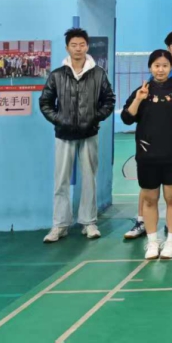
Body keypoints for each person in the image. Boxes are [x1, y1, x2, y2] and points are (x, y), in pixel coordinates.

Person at [39, 28, 115, 243]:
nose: (78, 48)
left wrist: (95, 118)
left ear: (87, 46)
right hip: (63, 135)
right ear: (67, 48)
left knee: (89, 179)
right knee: (61, 181)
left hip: (89, 133)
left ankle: (89, 223)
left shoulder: (98, 73)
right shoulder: (57, 75)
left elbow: (109, 100)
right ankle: (59, 225)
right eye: (74, 45)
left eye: (82, 44)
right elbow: (45, 102)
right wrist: (59, 119)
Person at [120, 50, 172, 260]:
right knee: (150, 200)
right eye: (156, 65)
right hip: (147, 156)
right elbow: (127, 118)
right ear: (150, 67)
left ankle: (171, 241)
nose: (160, 69)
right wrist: (138, 99)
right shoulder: (142, 90)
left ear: (170, 67)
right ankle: (152, 242)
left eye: (164, 65)